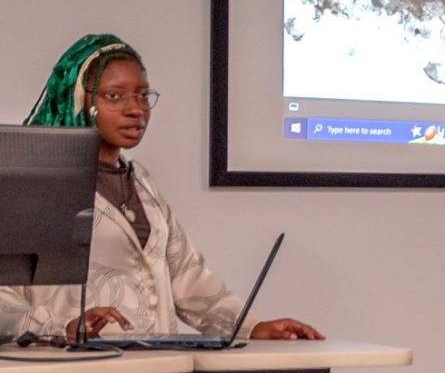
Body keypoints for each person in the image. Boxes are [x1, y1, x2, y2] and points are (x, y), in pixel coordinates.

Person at [0, 34, 324, 342]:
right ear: (78, 99)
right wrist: (61, 328)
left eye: (143, 95)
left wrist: (253, 327)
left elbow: (190, 281)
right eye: (115, 96)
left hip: (159, 365)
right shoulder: (37, 184)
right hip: (76, 368)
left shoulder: (142, 182)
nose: (135, 109)